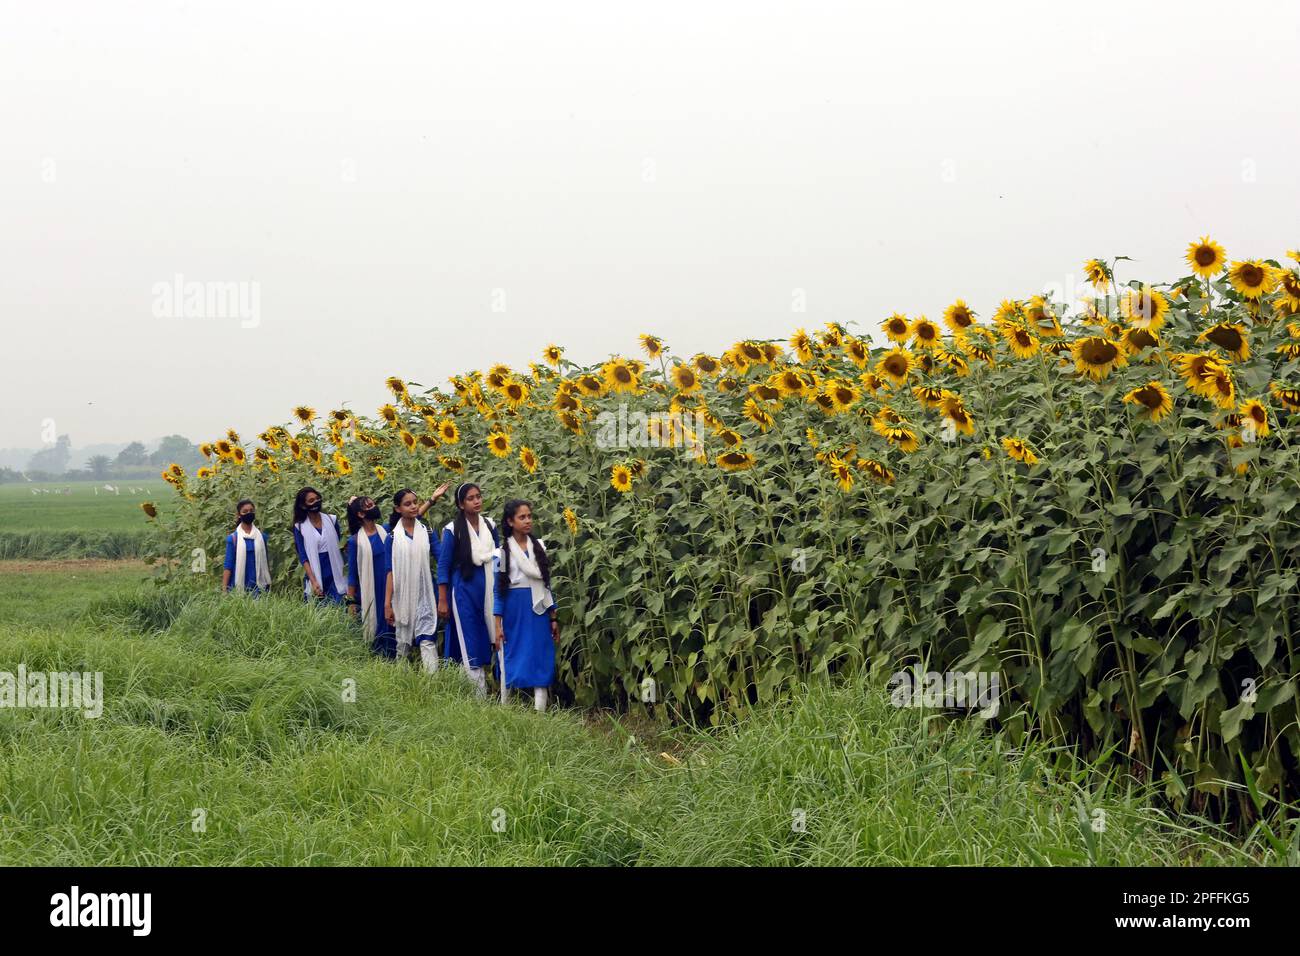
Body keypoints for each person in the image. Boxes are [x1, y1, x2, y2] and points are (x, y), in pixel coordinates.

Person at [494, 499, 559, 711]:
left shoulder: (539, 547)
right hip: (515, 610)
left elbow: (546, 584)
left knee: (540, 655)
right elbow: (499, 589)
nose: (528, 520)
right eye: (522, 517)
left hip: (538, 608)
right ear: (510, 521)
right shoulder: (503, 553)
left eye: (529, 516)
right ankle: (506, 708)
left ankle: (540, 712)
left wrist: (553, 616)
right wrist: (497, 624)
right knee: (512, 655)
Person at [437, 482, 498, 696]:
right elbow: (443, 565)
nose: (477, 501)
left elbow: (499, 556)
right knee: (469, 637)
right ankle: (478, 693)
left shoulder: (490, 525)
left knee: (490, 635)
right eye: (471, 498)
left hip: (489, 589)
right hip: (464, 590)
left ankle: (494, 687)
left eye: (478, 496)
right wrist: (443, 599)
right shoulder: (453, 530)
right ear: (461, 504)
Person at [384, 487, 447, 670]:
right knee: (402, 642)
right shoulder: (393, 537)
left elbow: (441, 557)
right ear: (398, 509)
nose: (413, 506)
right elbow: (390, 571)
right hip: (402, 594)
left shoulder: (426, 532)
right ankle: (401, 682)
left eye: (415, 502)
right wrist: (387, 604)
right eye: (407, 504)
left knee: (427, 638)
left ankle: (433, 684)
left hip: (425, 591)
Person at [345, 495, 394, 657]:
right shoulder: (355, 541)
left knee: (393, 624)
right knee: (377, 627)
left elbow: (408, 517)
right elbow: (352, 574)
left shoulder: (385, 531)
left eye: (374, 503)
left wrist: (431, 500)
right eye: (370, 505)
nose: (375, 506)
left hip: (389, 586)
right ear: (360, 514)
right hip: (371, 591)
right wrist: (350, 602)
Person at [291, 487, 345, 603]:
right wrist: (313, 580)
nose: (315, 502)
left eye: (317, 499)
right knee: (320, 607)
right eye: (311, 501)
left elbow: (340, 544)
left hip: (335, 568)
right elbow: (303, 556)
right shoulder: (299, 527)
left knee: (340, 604)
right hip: (315, 570)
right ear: (303, 506)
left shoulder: (332, 520)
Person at [221, 498, 271, 594]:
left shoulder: (261, 537)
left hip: (259, 588)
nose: (249, 513)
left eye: (251, 511)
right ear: (239, 515)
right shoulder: (233, 539)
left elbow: (265, 562)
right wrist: (224, 590)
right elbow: (228, 565)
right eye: (245, 511)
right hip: (238, 587)